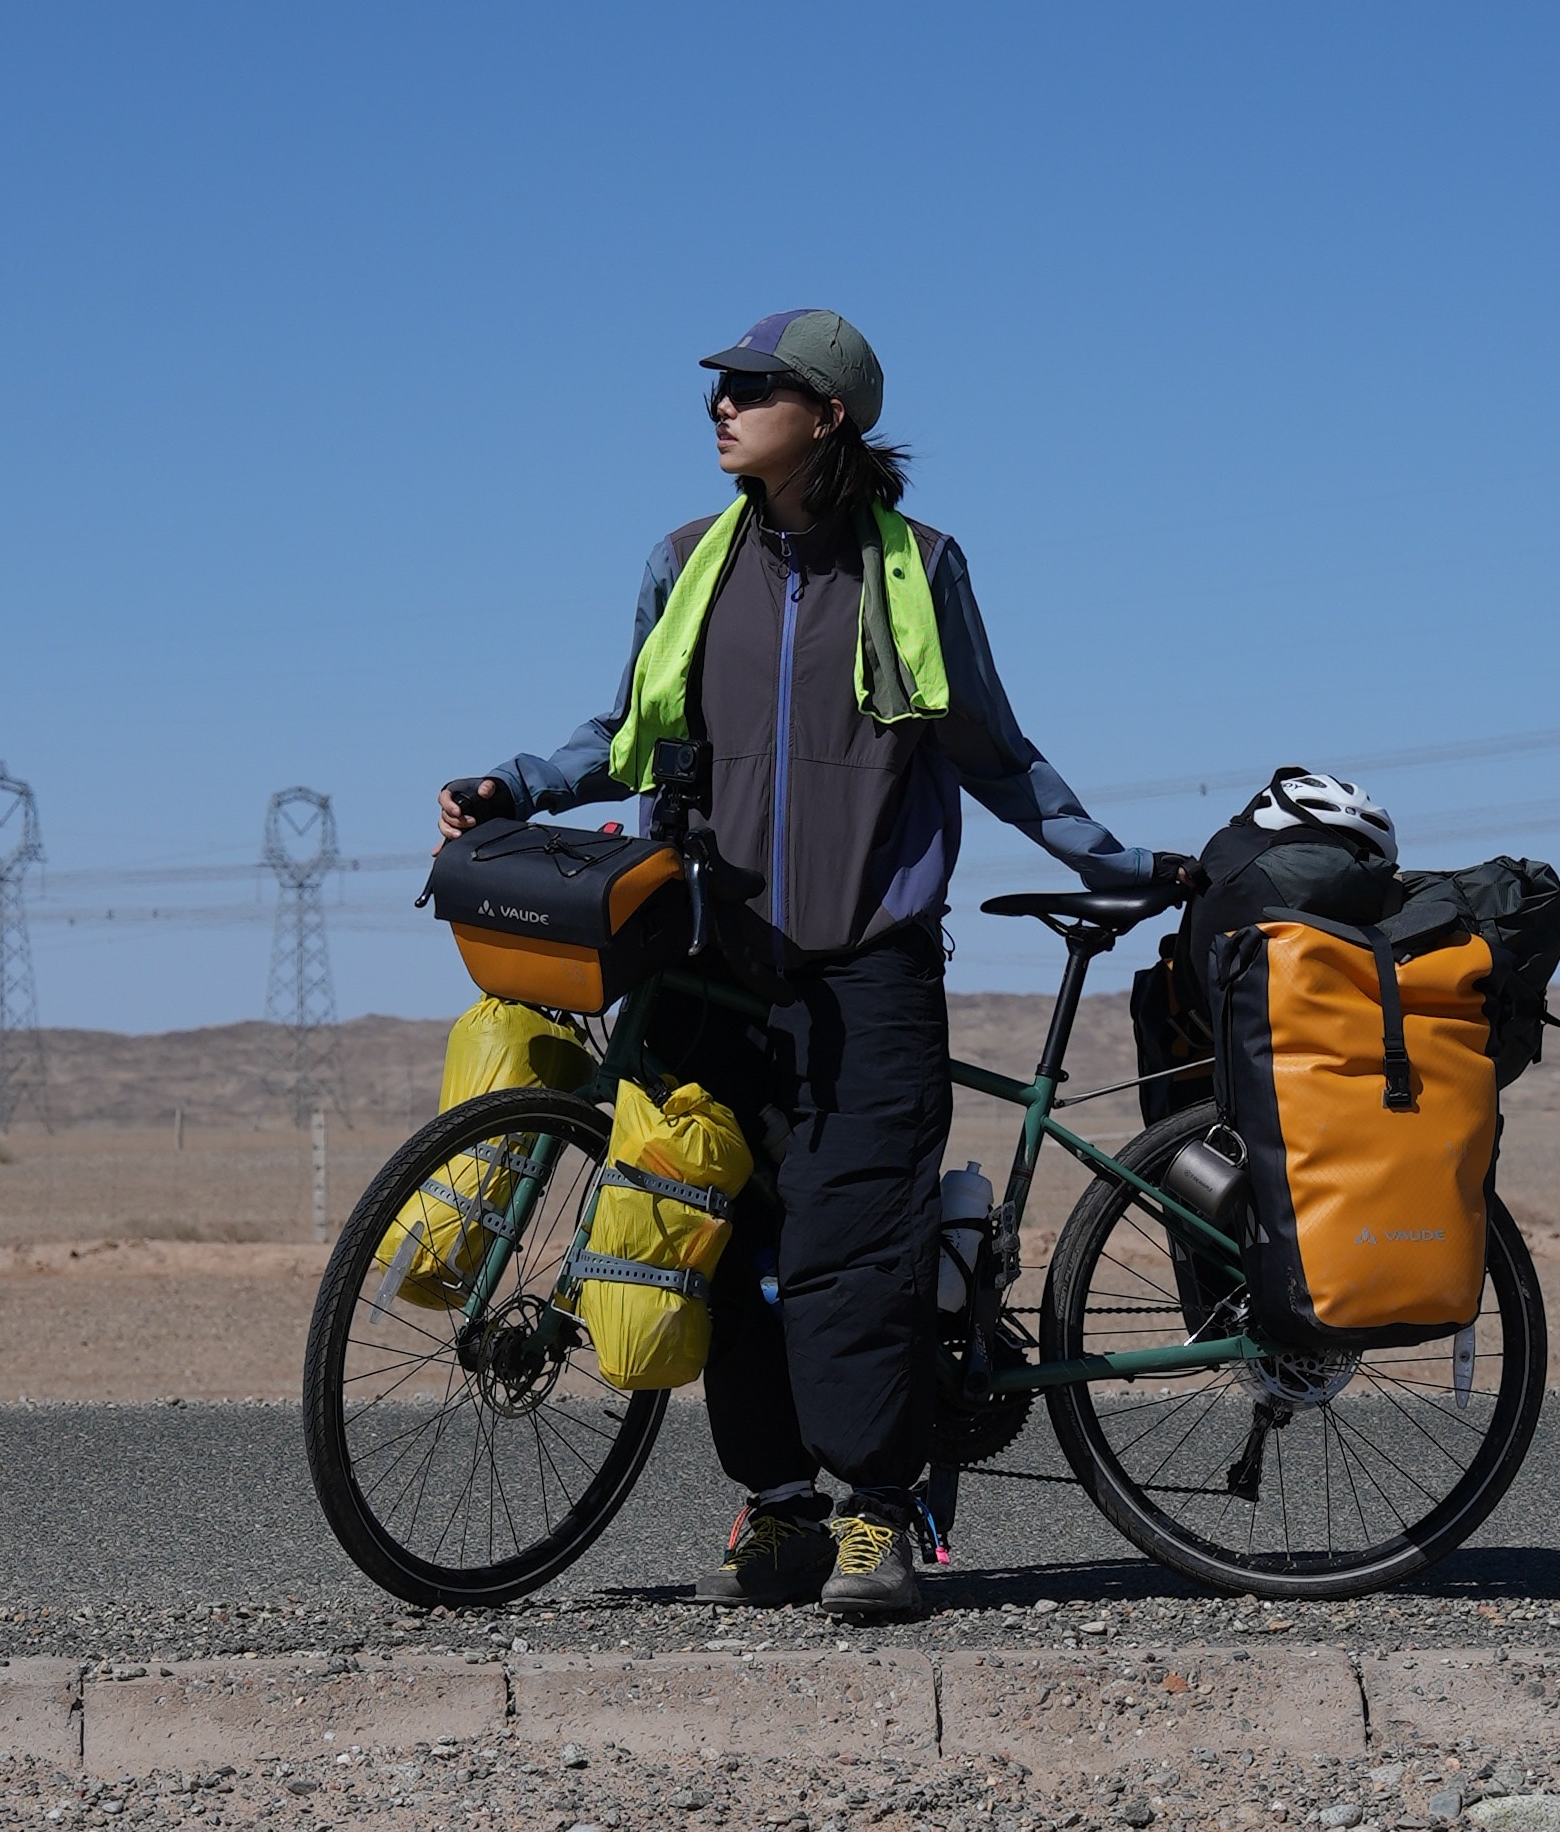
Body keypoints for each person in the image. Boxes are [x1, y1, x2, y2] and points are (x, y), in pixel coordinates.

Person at [436, 308, 1177, 1616]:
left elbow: (992, 751)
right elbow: (625, 730)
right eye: (718, 389)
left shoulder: (920, 566)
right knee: (719, 1236)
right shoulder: (685, 563)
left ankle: (882, 1512)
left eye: (753, 387)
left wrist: (1115, 863)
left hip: (867, 964)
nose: (720, 406)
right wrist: (515, 782)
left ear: (828, 412)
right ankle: (777, 1510)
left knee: (851, 1242)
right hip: (713, 955)